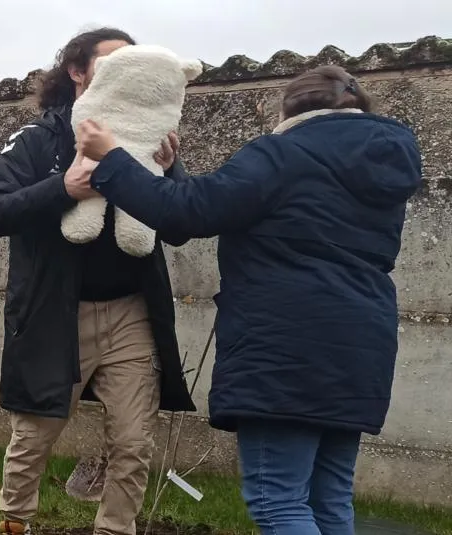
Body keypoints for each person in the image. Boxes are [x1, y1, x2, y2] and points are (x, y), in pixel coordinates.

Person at [75, 65, 421, 535]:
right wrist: (169, 170)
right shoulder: (386, 164)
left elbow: (187, 212)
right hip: (362, 345)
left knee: (277, 502)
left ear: (289, 110)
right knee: (329, 498)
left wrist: (111, 158)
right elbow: (221, 204)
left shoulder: (283, 153)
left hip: (288, 346)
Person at [0, 27, 197, 535]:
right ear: (76, 71)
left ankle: (116, 529)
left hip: (132, 312)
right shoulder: (38, 139)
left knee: (133, 442)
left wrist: (172, 174)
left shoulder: (149, 139)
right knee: (35, 434)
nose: (126, 72)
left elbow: (181, 227)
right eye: (111, 62)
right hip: (56, 315)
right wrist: (63, 188)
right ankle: (15, 522)